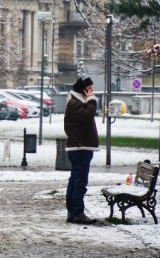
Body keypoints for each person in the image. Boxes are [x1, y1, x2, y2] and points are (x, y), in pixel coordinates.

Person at [64, 77, 100, 224]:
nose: (92, 92)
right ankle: (77, 212)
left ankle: (73, 212)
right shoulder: (75, 103)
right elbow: (87, 115)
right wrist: (92, 100)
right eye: (90, 89)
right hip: (80, 147)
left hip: (80, 147)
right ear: (83, 90)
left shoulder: (75, 102)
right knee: (80, 182)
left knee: (75, 180)